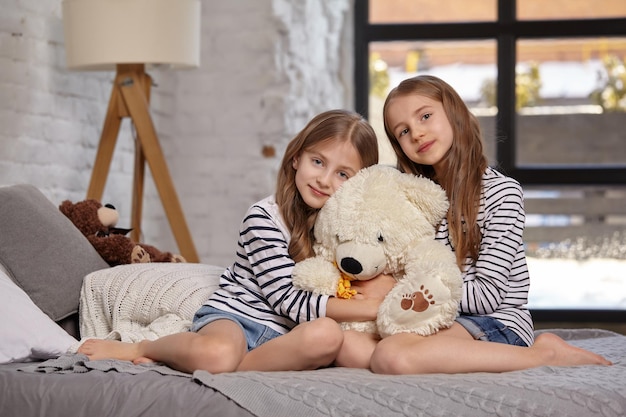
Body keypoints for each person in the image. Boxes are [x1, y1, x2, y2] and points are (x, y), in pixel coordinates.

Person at [78, 109, 386, 374]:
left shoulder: (346, 232)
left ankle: (234, 367)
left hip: (287, 336)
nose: (324, 179)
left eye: (343, 174)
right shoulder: (264, 218)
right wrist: (376, 308)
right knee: (218, 354)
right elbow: (287, 300)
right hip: (237, 318)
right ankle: (145, 347)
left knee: (327, 337)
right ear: (296, 158)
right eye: (317, 162)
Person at [355, 74, 611, 374]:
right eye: (403, 131)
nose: (417, 133)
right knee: (351, 346)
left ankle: (544, 355)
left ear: (454, 113)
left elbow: (488, 296)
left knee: (391, 356)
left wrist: (399, 289)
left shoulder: (502, 194)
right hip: (436, 317)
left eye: (425, 116)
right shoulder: (415, 199)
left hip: (497, 322)